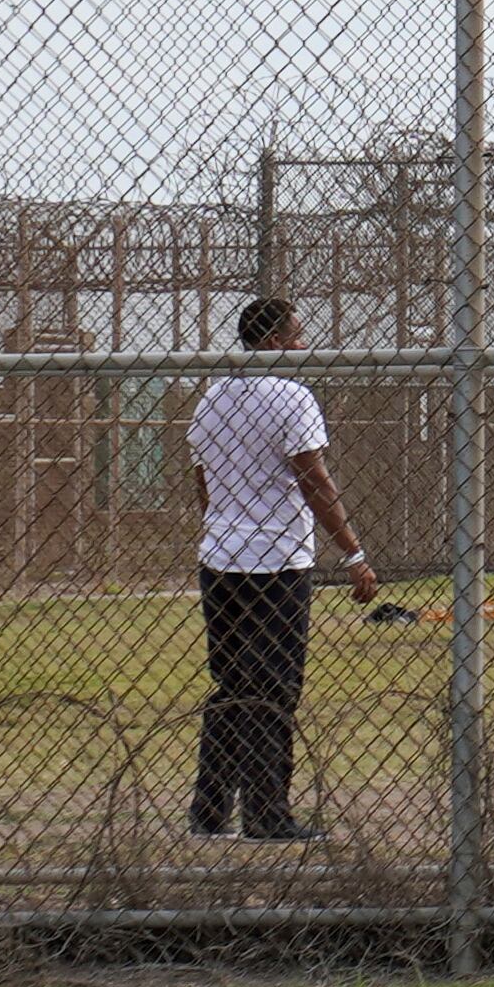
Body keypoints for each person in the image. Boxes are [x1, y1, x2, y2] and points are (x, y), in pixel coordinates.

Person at [188, 297, 377, 842]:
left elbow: (202, 478)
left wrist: (227, 520)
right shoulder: (291, 396)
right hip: (276, 563)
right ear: (272, 342)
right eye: (297, 336)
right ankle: (268, 815)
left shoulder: (214, 396)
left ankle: (210, 810)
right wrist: (353, 552)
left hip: (220, 560)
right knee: (274, 687)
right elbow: (314, 480)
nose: (303, 345)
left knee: (231, 683)